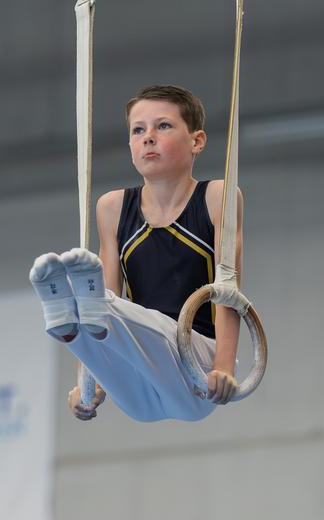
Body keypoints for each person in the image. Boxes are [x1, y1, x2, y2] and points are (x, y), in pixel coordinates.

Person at [29, 85, 243, 423]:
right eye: (138, 130)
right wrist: (88, 383)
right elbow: (100, 300)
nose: (149, 137)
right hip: (137, 383)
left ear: (197, 141)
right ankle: (67, 326)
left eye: (164, 126)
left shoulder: (216, 197)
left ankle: (73, 313)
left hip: (197, 371)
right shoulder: (113, 207)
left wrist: (224, 368)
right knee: (98, 311)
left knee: (121, 312)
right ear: (130, 145)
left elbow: (228, 289)